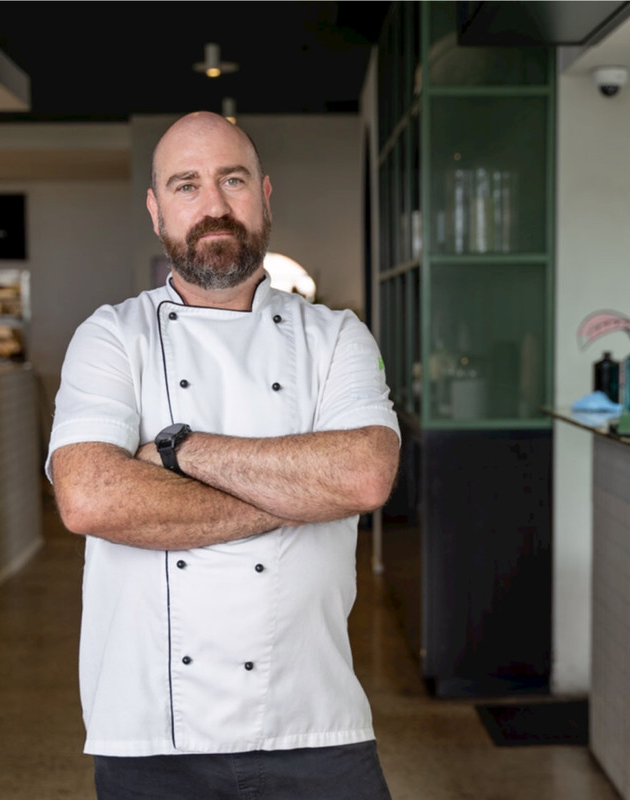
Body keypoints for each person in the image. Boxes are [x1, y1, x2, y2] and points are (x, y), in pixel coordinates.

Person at [47, 111, 400, 800]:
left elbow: (362, 474)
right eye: (186, 185)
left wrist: (179, 450)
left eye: (232, 180)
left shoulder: (335, 337)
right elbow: (89, 496)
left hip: (314, 721)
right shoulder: (112, 337)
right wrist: (298, 494)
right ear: (156, 210)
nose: (213, 205)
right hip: (150, 730)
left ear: (264, 194)